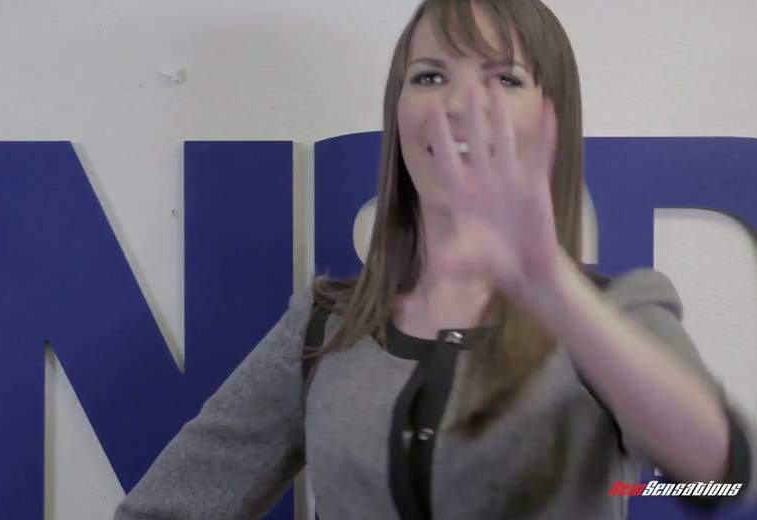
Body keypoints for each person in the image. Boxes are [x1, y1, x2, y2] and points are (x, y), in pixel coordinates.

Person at [116, 0, 755, 518]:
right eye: (430, 76)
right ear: (397, 115)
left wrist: (552, 287)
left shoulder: (616, 312)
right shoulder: (325, 325)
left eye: (504, 78)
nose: (458, 105)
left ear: (551, 120)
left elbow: (721, 480)